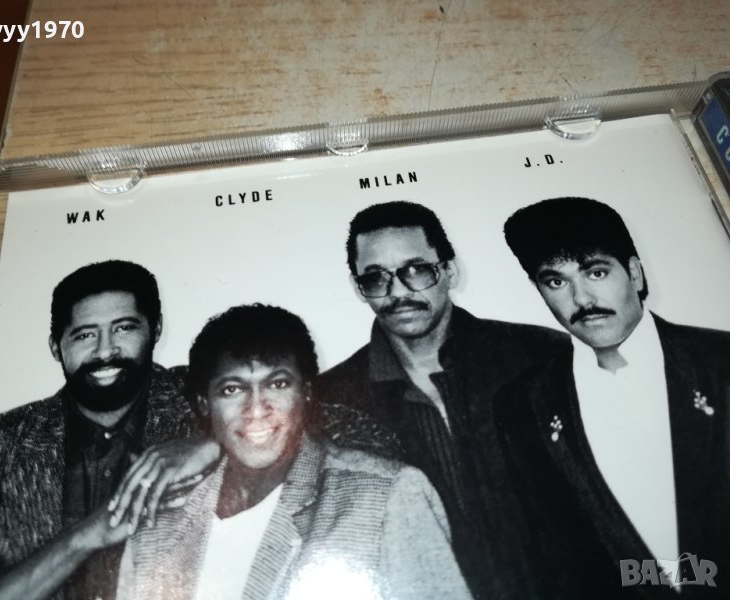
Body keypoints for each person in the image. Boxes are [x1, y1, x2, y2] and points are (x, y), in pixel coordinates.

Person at [117, 304, 471, 600]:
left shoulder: (387, 494)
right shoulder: (159, 520)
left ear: (307, 393)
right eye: (232, 389)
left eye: (277, 384)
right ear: (203, 404)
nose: (256, 409)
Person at [315, 200, 568, 599]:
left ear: (450, 270)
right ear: (357, 286)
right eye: (376, 278)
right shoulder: (331, 402)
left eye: (417, 270)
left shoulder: (542, 356)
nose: (399, 292)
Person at [500, 197, 730, 598]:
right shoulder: (523, 404)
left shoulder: (721, 362)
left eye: (596, 272)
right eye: (556, 282)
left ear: (635, 274)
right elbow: (552, 559)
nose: (582, 299)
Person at [0, 260, 215, 600]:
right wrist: (82, 538)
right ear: (56, 347)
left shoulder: (210, 399)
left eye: (123, 328)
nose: (105, 351)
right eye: (85, 335)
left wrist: (212, 443)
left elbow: (291, 412)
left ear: (155, 330)